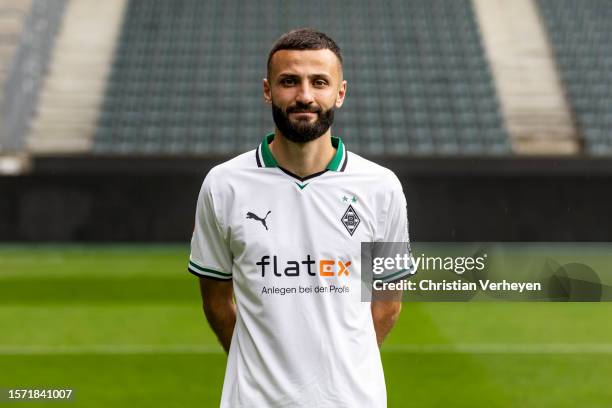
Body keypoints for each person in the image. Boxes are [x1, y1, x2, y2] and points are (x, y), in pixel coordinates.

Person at [188, 28, 413, 407]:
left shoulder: (381, 187)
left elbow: (388, 300)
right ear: (267, 90)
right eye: (289, 81)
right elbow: (215, 300)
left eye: (319, 82)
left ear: (340, 93)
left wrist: (345, 368)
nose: (304, 95)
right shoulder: (224, 185)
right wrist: (256, 366)